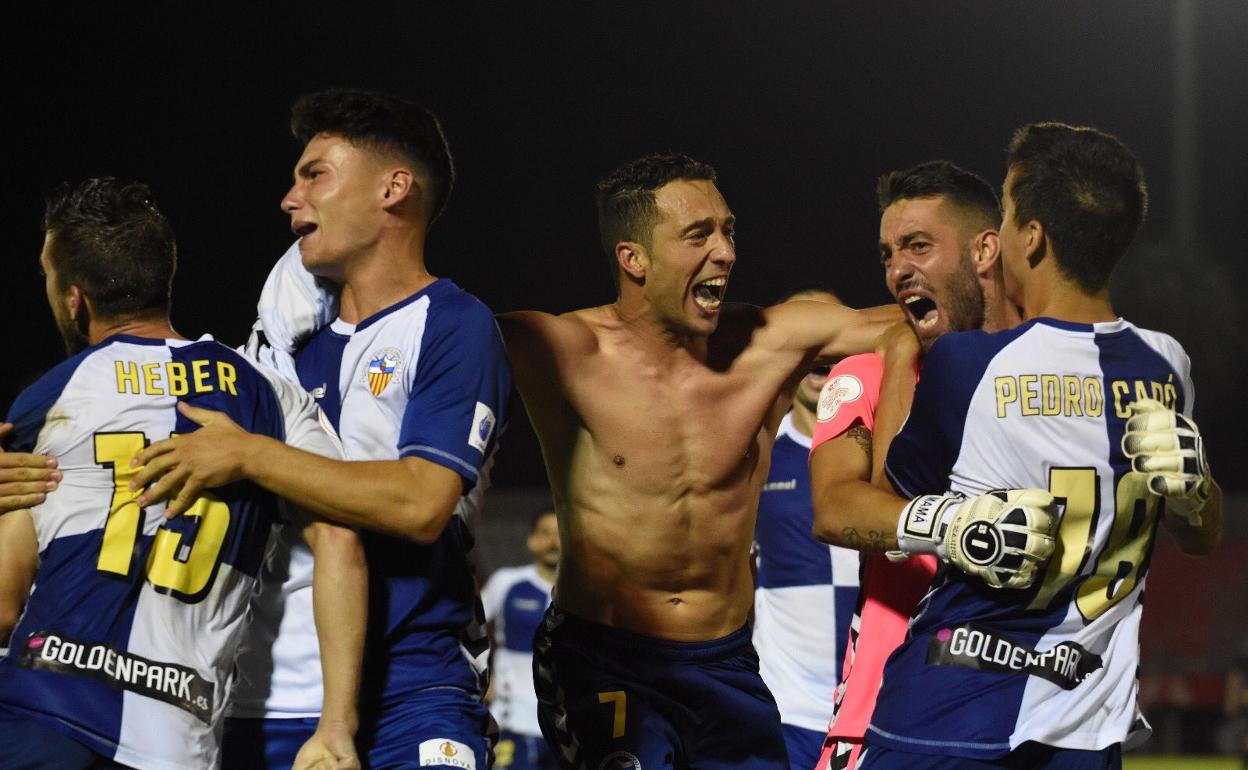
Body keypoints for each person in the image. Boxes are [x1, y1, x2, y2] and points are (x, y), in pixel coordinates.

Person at [128, 88, 511, 770]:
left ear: (394, 188)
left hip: (412, 690)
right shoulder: (281, 346)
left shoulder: (454, 325)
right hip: (264, 692)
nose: (289, 198)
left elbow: (420, 503)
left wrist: (250, 454)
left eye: (316, 174)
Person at [496, 152, 913, 769]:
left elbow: (918, 323)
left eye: (729, 231)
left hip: (727, 661)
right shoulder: (564, 350)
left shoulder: (769, 344)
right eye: (699, 235)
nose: (726, 252)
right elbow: (433, 337)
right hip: (605, 661)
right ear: (633, 258)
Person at [847, 123, 1223, 769]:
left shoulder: (966, 364)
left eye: (1010, 210)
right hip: (1084, 725)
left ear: (1030, 237)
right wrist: (1197, 493)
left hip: (951, 710)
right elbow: (1200, 533)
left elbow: (870, 510)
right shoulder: (1166, 366)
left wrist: (949, 520)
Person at [0, 177, 367, 770]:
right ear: (162, 277)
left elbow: (3, 605)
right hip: (175, 744)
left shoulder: (51, 397)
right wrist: (336, 725)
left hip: (39, 718)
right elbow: (343, 539)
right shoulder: (270, 395)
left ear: (75, 297)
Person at [808, 160, 1020, 770]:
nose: (897, 270)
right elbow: (838, 509)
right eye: (887, 254)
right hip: (877, 721)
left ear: (986, 250)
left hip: (1019, 711)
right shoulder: (864, 374)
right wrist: (955, 528)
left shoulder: (1042, 379)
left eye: (918, 246)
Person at [751, 288, 863, 770]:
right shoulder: (752, 457)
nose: (821, 353)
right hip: (786, 710)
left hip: (872, 710)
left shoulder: (890, 451)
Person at [481, 508, 560, 770]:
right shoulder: (507, 582)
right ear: (532, 540)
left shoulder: (587, 592)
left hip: (565, 725)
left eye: (561, 534)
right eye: (545, 533)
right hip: (512, 718)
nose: (553, 541)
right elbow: (467, 631)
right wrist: (482, 678)